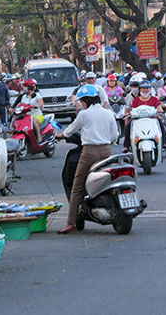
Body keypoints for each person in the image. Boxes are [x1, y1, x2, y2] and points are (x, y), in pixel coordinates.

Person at [56, 85, 118, 234]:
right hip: (106, 151)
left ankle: (71, 223)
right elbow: (114, 136)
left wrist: (61, 135)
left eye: (82, 101)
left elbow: (70, 130)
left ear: (86, 100)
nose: (81, 104)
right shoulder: (108, 113)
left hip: (89, 152)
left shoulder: (84, 114)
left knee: (77, 187)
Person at [123, 81, 163, 153]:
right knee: (128, 125)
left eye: (147, 88)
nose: (145, 90)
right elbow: (132, 109)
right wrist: (128, 113)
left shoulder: (154, 99)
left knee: (161, 124)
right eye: (143, 88)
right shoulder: (136, 100)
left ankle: (163, 143)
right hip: (138, 120)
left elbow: (159, 107)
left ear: (150, 89)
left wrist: (159, 111)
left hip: (152, 119)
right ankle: (126, 145)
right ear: (140, 89)